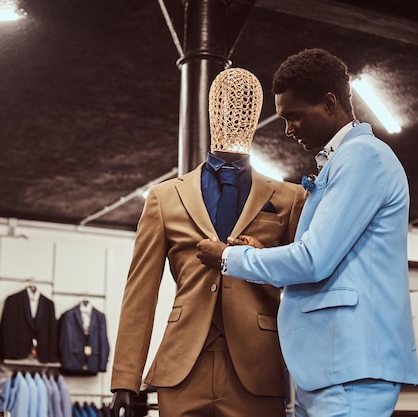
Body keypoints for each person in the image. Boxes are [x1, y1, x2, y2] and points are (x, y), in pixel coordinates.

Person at [196, 48, 418, 417]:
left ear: (329, 103)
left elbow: (314, 261)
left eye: (294, 116)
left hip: (351, 366)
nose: (287, 129)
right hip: (330, 366)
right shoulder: (342, 160)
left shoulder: (363, 156)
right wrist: (263, 252)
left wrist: (229, 257)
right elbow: (332, 261)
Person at [109, 68, 306, 417]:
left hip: (258, 368)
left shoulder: (289, 198)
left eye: (244, 106)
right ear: (210, 111)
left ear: (258, 113)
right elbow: (140, 291)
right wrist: (126, 377)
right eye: (223, 104)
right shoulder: (164, 197)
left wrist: (310, 374)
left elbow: (302, 282)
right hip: (182, 367)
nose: (234, 113)